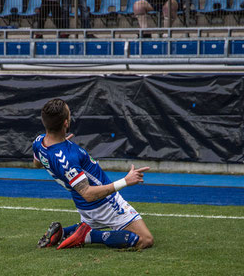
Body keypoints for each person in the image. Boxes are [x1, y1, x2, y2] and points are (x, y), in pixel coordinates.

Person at [32, 99, 154, 250]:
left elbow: (37, 163)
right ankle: (89, 235)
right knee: (145, 239)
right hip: (102, 203)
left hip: (84, 206)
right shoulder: (67, 158)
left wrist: (60, 146)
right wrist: (125, 181)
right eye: (69, 114)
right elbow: (88, 194)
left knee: (98, 222)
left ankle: (63, 233)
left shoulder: (39, 143)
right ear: (65, 123)